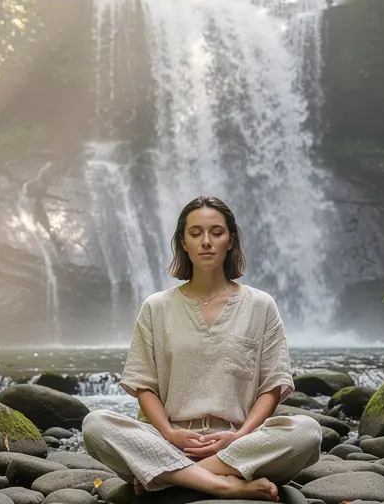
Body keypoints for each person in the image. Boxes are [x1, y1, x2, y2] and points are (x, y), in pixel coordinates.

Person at [82, 196, 322, 502]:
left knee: (308, 432)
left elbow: (272, 386)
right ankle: (222, 484)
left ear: (231, 240)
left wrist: (239, 436)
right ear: (183, 241)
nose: (206, 242)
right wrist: (169, 434)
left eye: (216, 233)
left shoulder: (261, 306)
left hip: (237, 445)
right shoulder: (156, 307)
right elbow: (144, 385)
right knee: (95, 424)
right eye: (195, 233)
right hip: (169, 440)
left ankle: (171, 478)